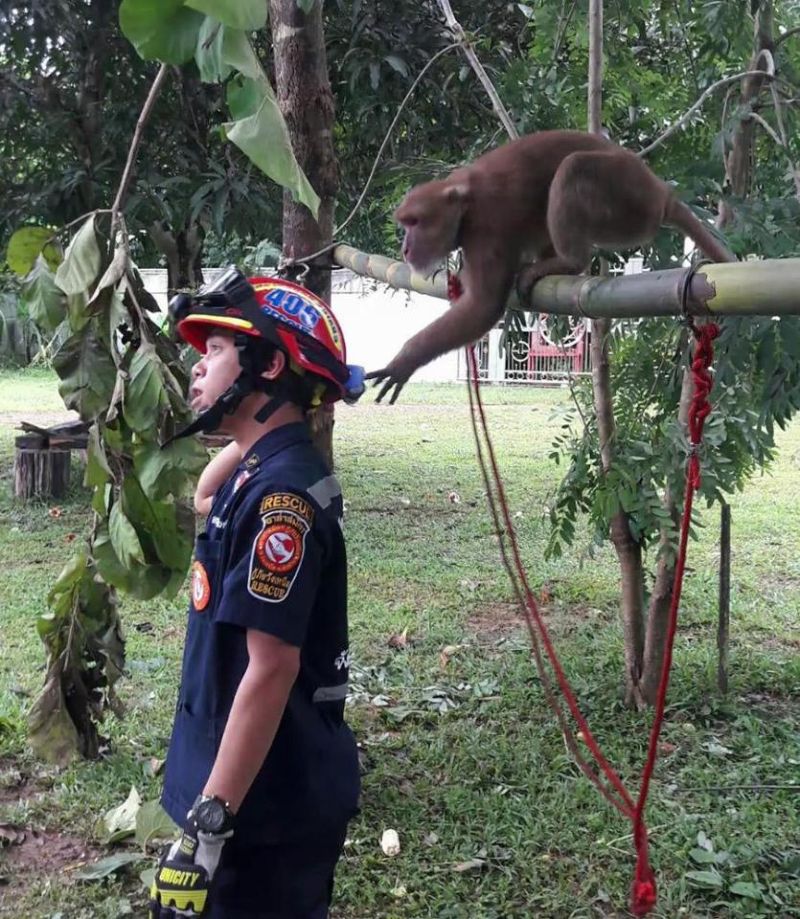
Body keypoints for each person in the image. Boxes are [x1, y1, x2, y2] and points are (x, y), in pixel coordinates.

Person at [150, 268, 365, 919]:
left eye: (215, 351)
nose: (196, 367)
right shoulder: (261, 473)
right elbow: (207, 497)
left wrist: (206, 829)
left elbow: (271, 669)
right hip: (245, 788)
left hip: (263, 810)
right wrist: (253, 438)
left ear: (269, 364)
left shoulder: (283, 500)